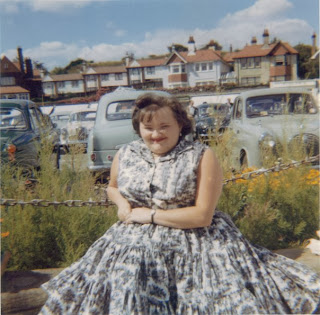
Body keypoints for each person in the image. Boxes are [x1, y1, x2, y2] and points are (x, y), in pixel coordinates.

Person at [39, 93, 320, 314]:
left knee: (212, 298)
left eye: (164, 126)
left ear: (180, 125)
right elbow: (112, 187)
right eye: (148, 127)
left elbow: (202, 216)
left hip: (197, 240)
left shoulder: (201, 154)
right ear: (138, 127)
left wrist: (146, 215)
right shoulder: (126, 153)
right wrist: (122, 205)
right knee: (124, 285)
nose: (156, 134)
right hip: (132, 236)